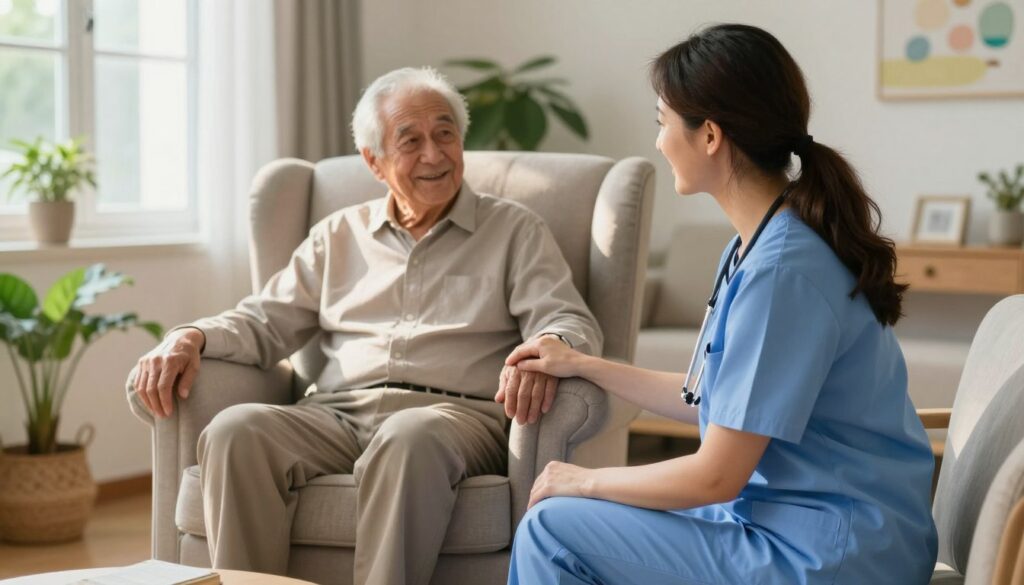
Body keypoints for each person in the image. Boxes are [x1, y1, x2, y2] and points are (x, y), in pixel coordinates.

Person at [131, 67, 602, 585]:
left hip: (452, 418)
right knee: (235, 430)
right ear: (373, 161)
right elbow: (265, 321)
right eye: (411, 140)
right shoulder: (337, 234)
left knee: (409, 434)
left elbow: (565, 317)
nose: (434, 154)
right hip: (336, 414)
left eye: (445, 134)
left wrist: (553, 343)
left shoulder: (514, 229)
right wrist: (191, 335)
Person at [505, 24, 938, 585]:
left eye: (662, 123)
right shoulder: (757, 244)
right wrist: (585, 365)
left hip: (833, 553)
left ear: (709, 135)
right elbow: (716, 400)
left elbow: (715, 478)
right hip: (806, 524)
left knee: (552, 528)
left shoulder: (782, 272)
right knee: (578, 515)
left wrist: (585, 479)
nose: (659, 141)